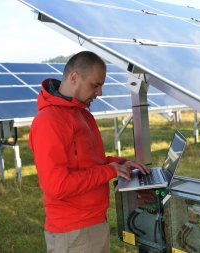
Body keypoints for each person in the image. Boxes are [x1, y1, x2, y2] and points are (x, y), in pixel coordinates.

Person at [29, 51, 149, 253]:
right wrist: (109, 171)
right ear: (74, 77)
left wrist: (120, 164)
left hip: (91, 224)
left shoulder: (81, 113)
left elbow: (90, 162)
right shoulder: (49, 121)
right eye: (95, 85)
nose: (100, 93)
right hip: (73, 232)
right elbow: (57, 185)